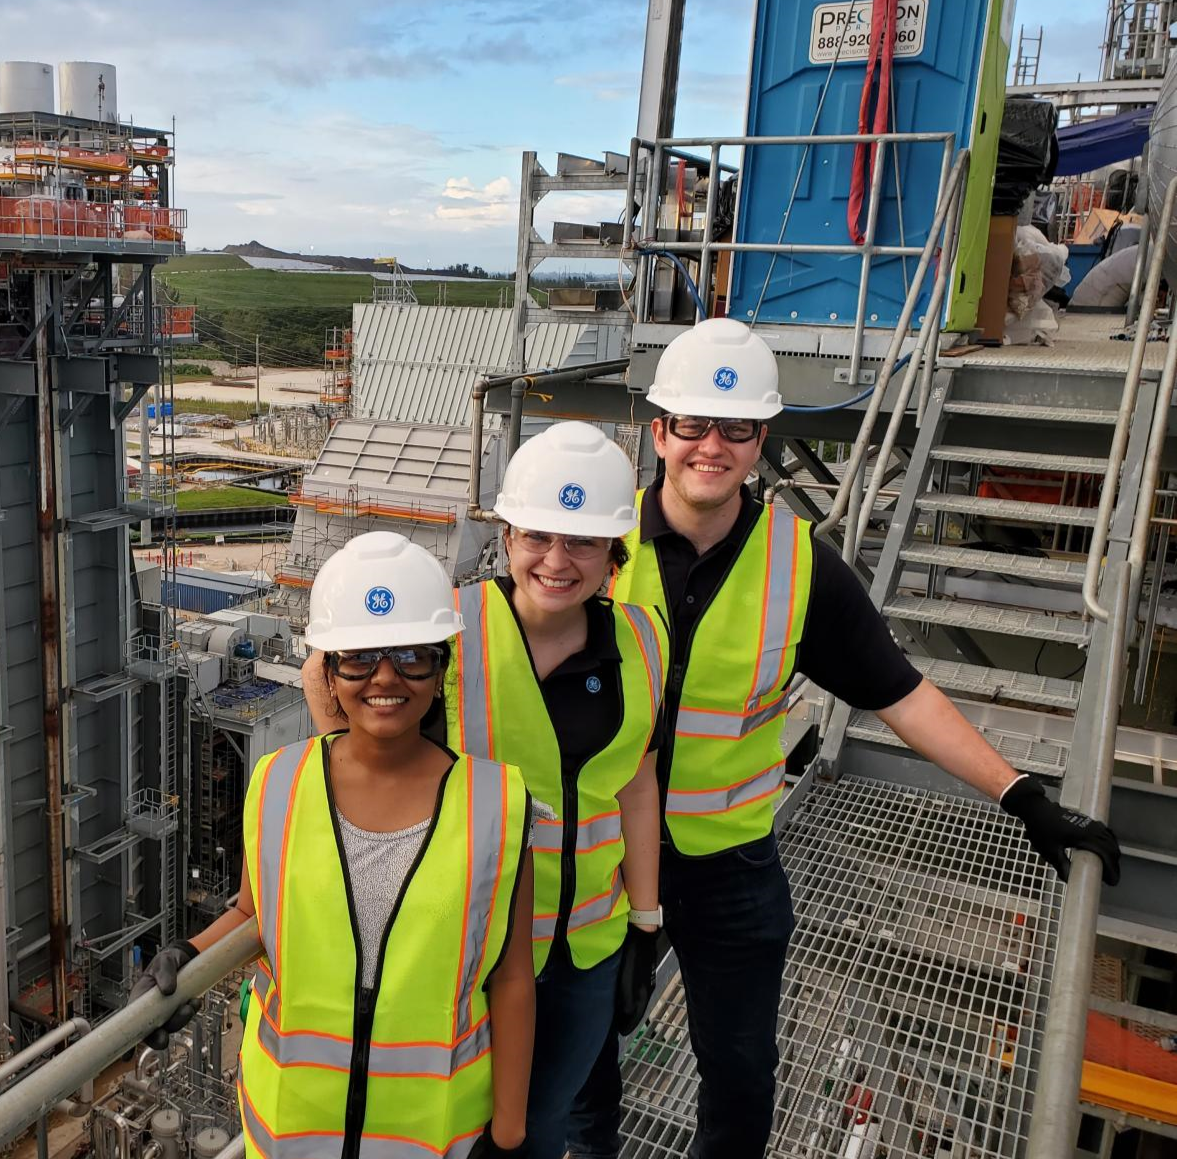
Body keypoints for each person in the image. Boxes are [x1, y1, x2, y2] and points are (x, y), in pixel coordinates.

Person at [566, 316, 1124, 1159]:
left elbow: (897, 692)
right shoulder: (593, 550)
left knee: (743, 1073)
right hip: (604, 855)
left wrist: (1022, 797)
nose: (710, 446)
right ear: (659, 431)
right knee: (580, 1062)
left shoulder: (799, 566)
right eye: (691, 425)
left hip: (729, 866)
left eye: (736, 428)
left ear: (761, 438)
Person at [305, 422, 667, 1159]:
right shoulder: (448, 629)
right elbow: (328, 678)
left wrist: (646, 920)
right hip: (466, 951)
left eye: (582, 542)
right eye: (537, 536)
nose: (557, 561)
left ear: (612, 554)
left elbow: (635, 780)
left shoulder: (644, 639)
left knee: (535, 1131)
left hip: (585, 950)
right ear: (506, 536)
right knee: (456, 1130)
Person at [135, 531, 537, 1159]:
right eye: (359, 657)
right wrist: (185, 957)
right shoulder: (276, 783)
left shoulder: (497, 804)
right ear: (326, 668)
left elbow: (511, 977)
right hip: (293, 1129)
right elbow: (253, 915)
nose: (385, 678)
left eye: (410, 655)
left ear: (441, 666)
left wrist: (510, 1133)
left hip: (430, 1137)